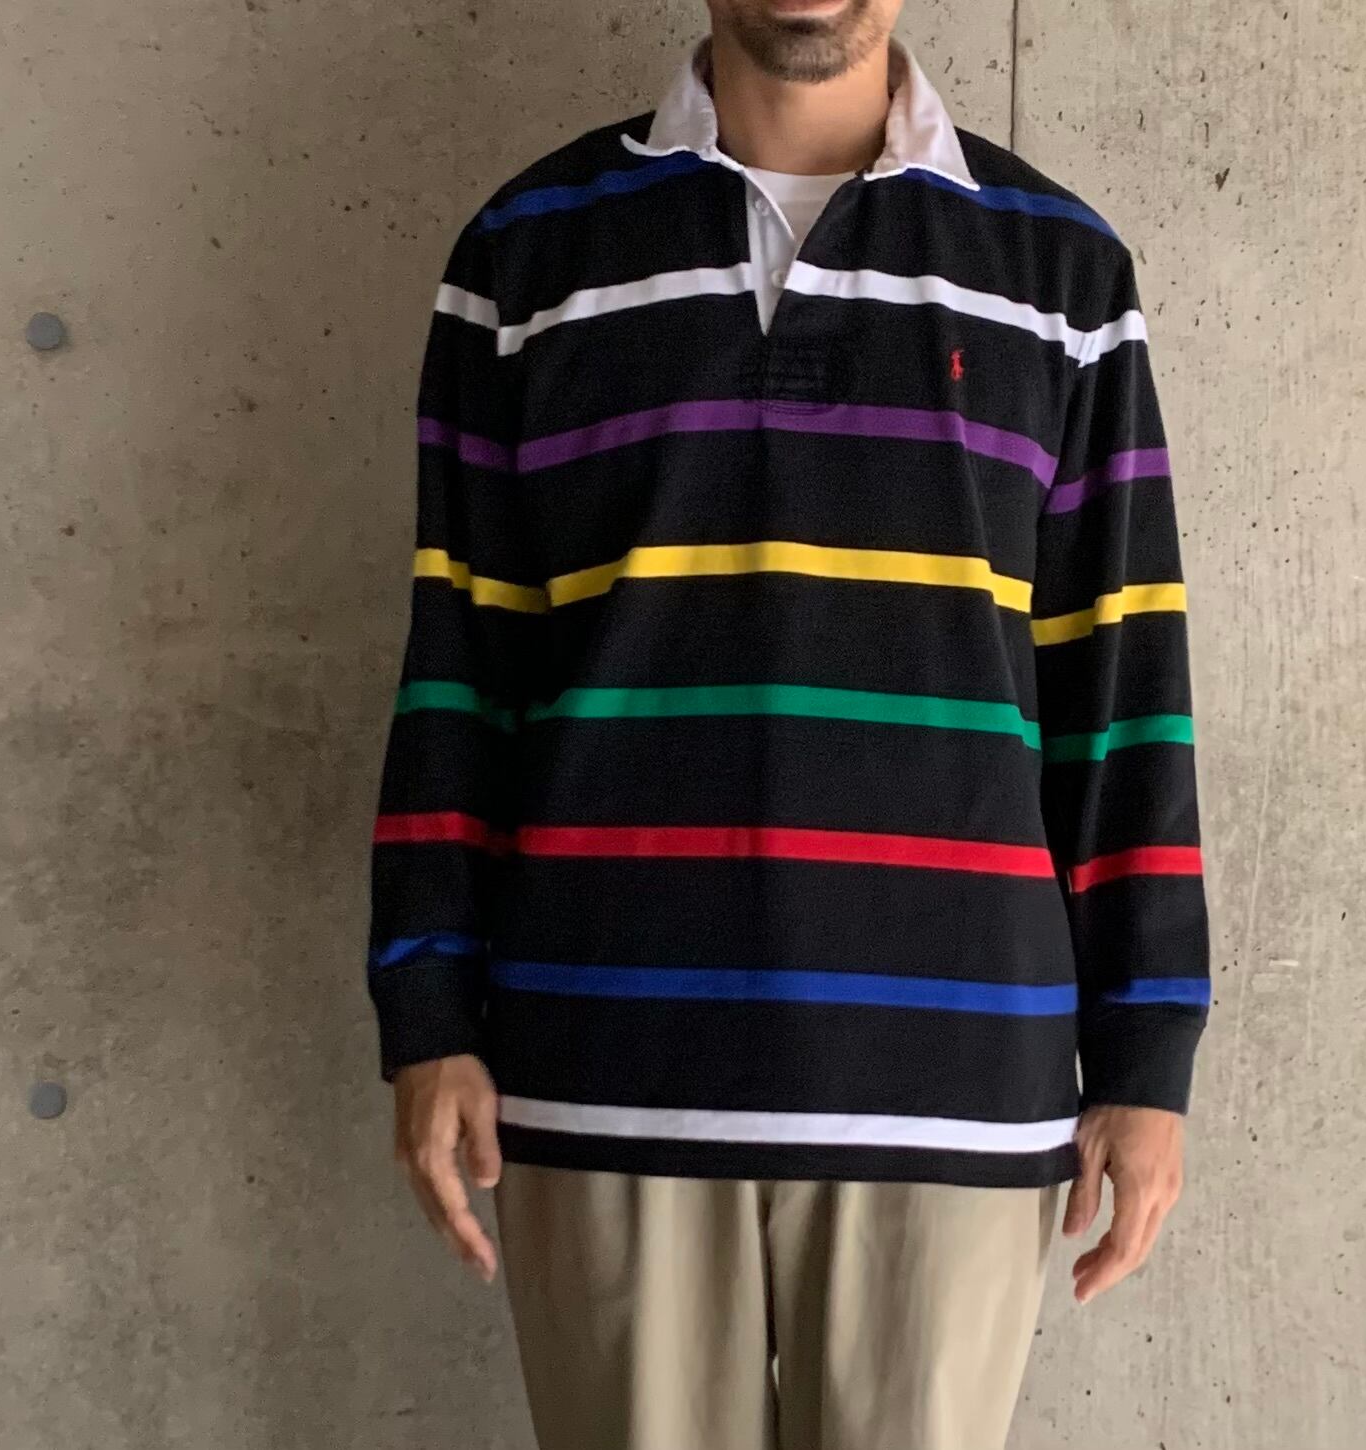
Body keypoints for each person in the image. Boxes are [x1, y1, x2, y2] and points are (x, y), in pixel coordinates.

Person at [365, 1, 1211, 1445]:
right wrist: (424, 1007)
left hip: (953, 1082)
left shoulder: (1060, 272)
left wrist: (1147, 1054)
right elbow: (459, 666)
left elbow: (1120, 683)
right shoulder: (527, 253)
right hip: (608, 1068)